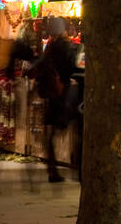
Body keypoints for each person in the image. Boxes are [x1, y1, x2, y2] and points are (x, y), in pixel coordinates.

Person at [31, 16, 82, 183]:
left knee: (52, 133)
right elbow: (74, 68)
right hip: (66, 93)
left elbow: (37, 65)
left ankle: (52, 169)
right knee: (78, 131)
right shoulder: (68, 47)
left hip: (53, 94)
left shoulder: (50, 47)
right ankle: (80, 168)